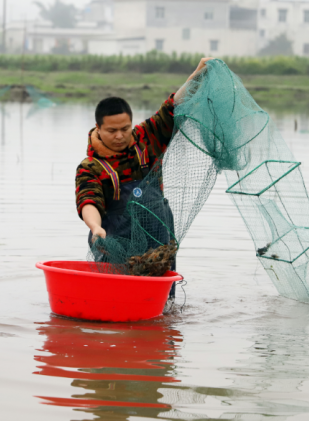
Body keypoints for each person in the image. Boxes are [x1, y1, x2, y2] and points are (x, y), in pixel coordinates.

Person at [75, 58, 213, 294]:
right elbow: (88, 200)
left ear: (131, 124)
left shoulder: (146, 138)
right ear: (98, 128)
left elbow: (173, 107)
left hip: (158, 238)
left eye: (125, 129)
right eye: (111, 131)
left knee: (159, 301)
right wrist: (95, 227)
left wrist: (197, 75)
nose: (119, 136)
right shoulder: (91, 166)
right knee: (115, 297)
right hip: (115, 240)